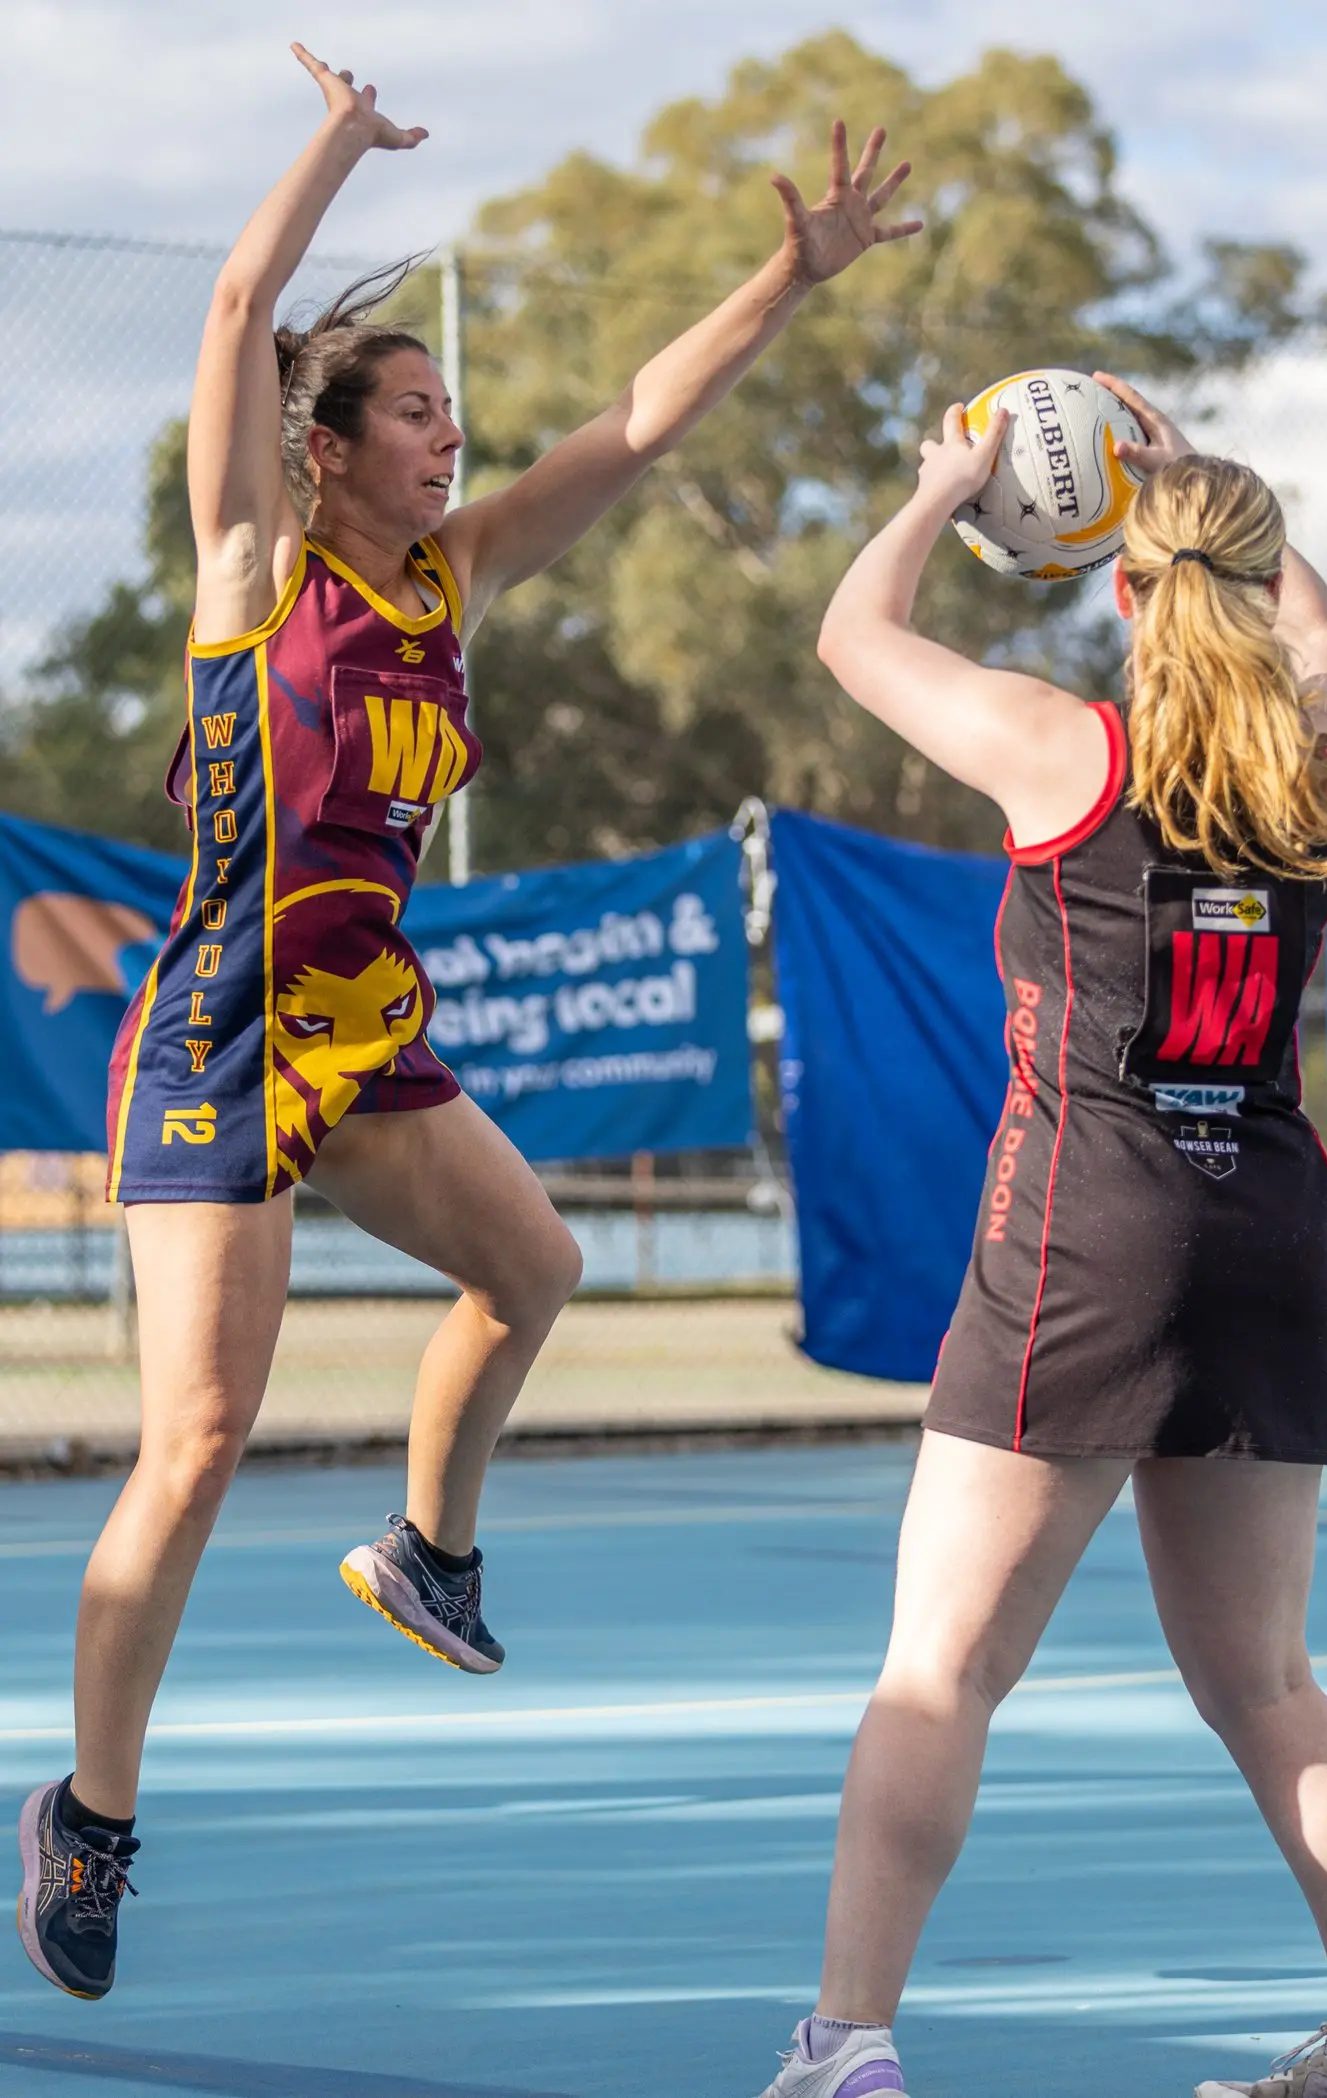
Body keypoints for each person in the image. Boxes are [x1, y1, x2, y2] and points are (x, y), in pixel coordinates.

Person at [15, 45, 923, 2002]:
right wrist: (337, 145)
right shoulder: (255, 572)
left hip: (364, 1030)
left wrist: (791, 278)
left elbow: (636, 427)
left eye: (451, 413)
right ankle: (87, 1813)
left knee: (537, 1263)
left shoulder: (456, 577)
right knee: (197, 1437)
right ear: (328, 446)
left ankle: (430, 1550)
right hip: (223, 1035)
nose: (451, 437)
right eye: (418, 412)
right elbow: (237, 308)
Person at [750, 381, 1327, 2098]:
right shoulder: (1318, 765)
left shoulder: (1068, 751)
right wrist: (1198, 486)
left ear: (1121, 582)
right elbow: (1325, 643)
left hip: (1089, 1235)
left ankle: (847, 2042)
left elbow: (854, 634)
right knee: (1271, 1683)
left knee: (942, 1668)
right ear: (1254, 579)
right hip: (1268, 1236)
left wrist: (946, 485)